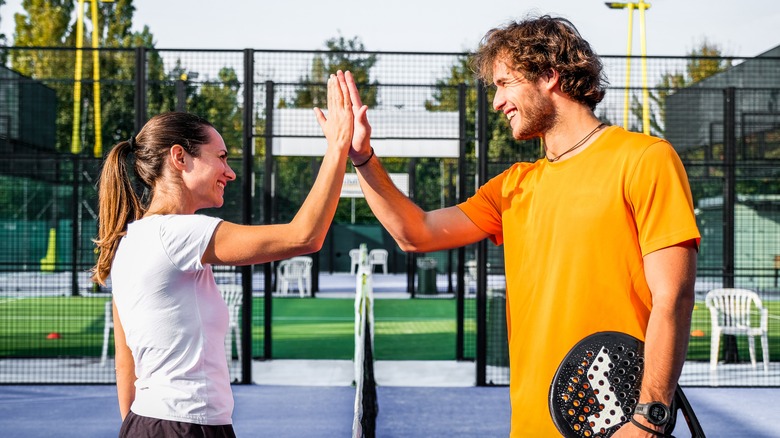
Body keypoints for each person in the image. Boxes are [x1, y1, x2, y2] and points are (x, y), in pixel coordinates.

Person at [344, 16, 700, 437]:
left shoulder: (644, 159)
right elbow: (415, 232)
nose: (496, 102)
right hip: (532, 424)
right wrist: (363, 158)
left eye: (505, 83)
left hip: (621, 424)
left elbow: (673, 296)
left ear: (549, 74)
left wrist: (649, 416)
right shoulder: (512, 186)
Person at [91, 71, 355, 437]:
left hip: (148, 423)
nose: (229, 172)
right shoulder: (179, 234)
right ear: (180, 158)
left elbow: (126, 363)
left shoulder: (127, 242)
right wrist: (339, 146)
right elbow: (304, 236)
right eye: (221, 157)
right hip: (184, 427)